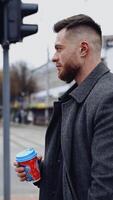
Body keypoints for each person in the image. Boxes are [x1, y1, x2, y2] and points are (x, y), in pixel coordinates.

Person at [14, 14, 113, 200]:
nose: (54, 58)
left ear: (83, 49)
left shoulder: (107, 98)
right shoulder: (75, 98)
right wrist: (43, 172)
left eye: (59, 49)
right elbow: (76, 175)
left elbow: (104, 189)